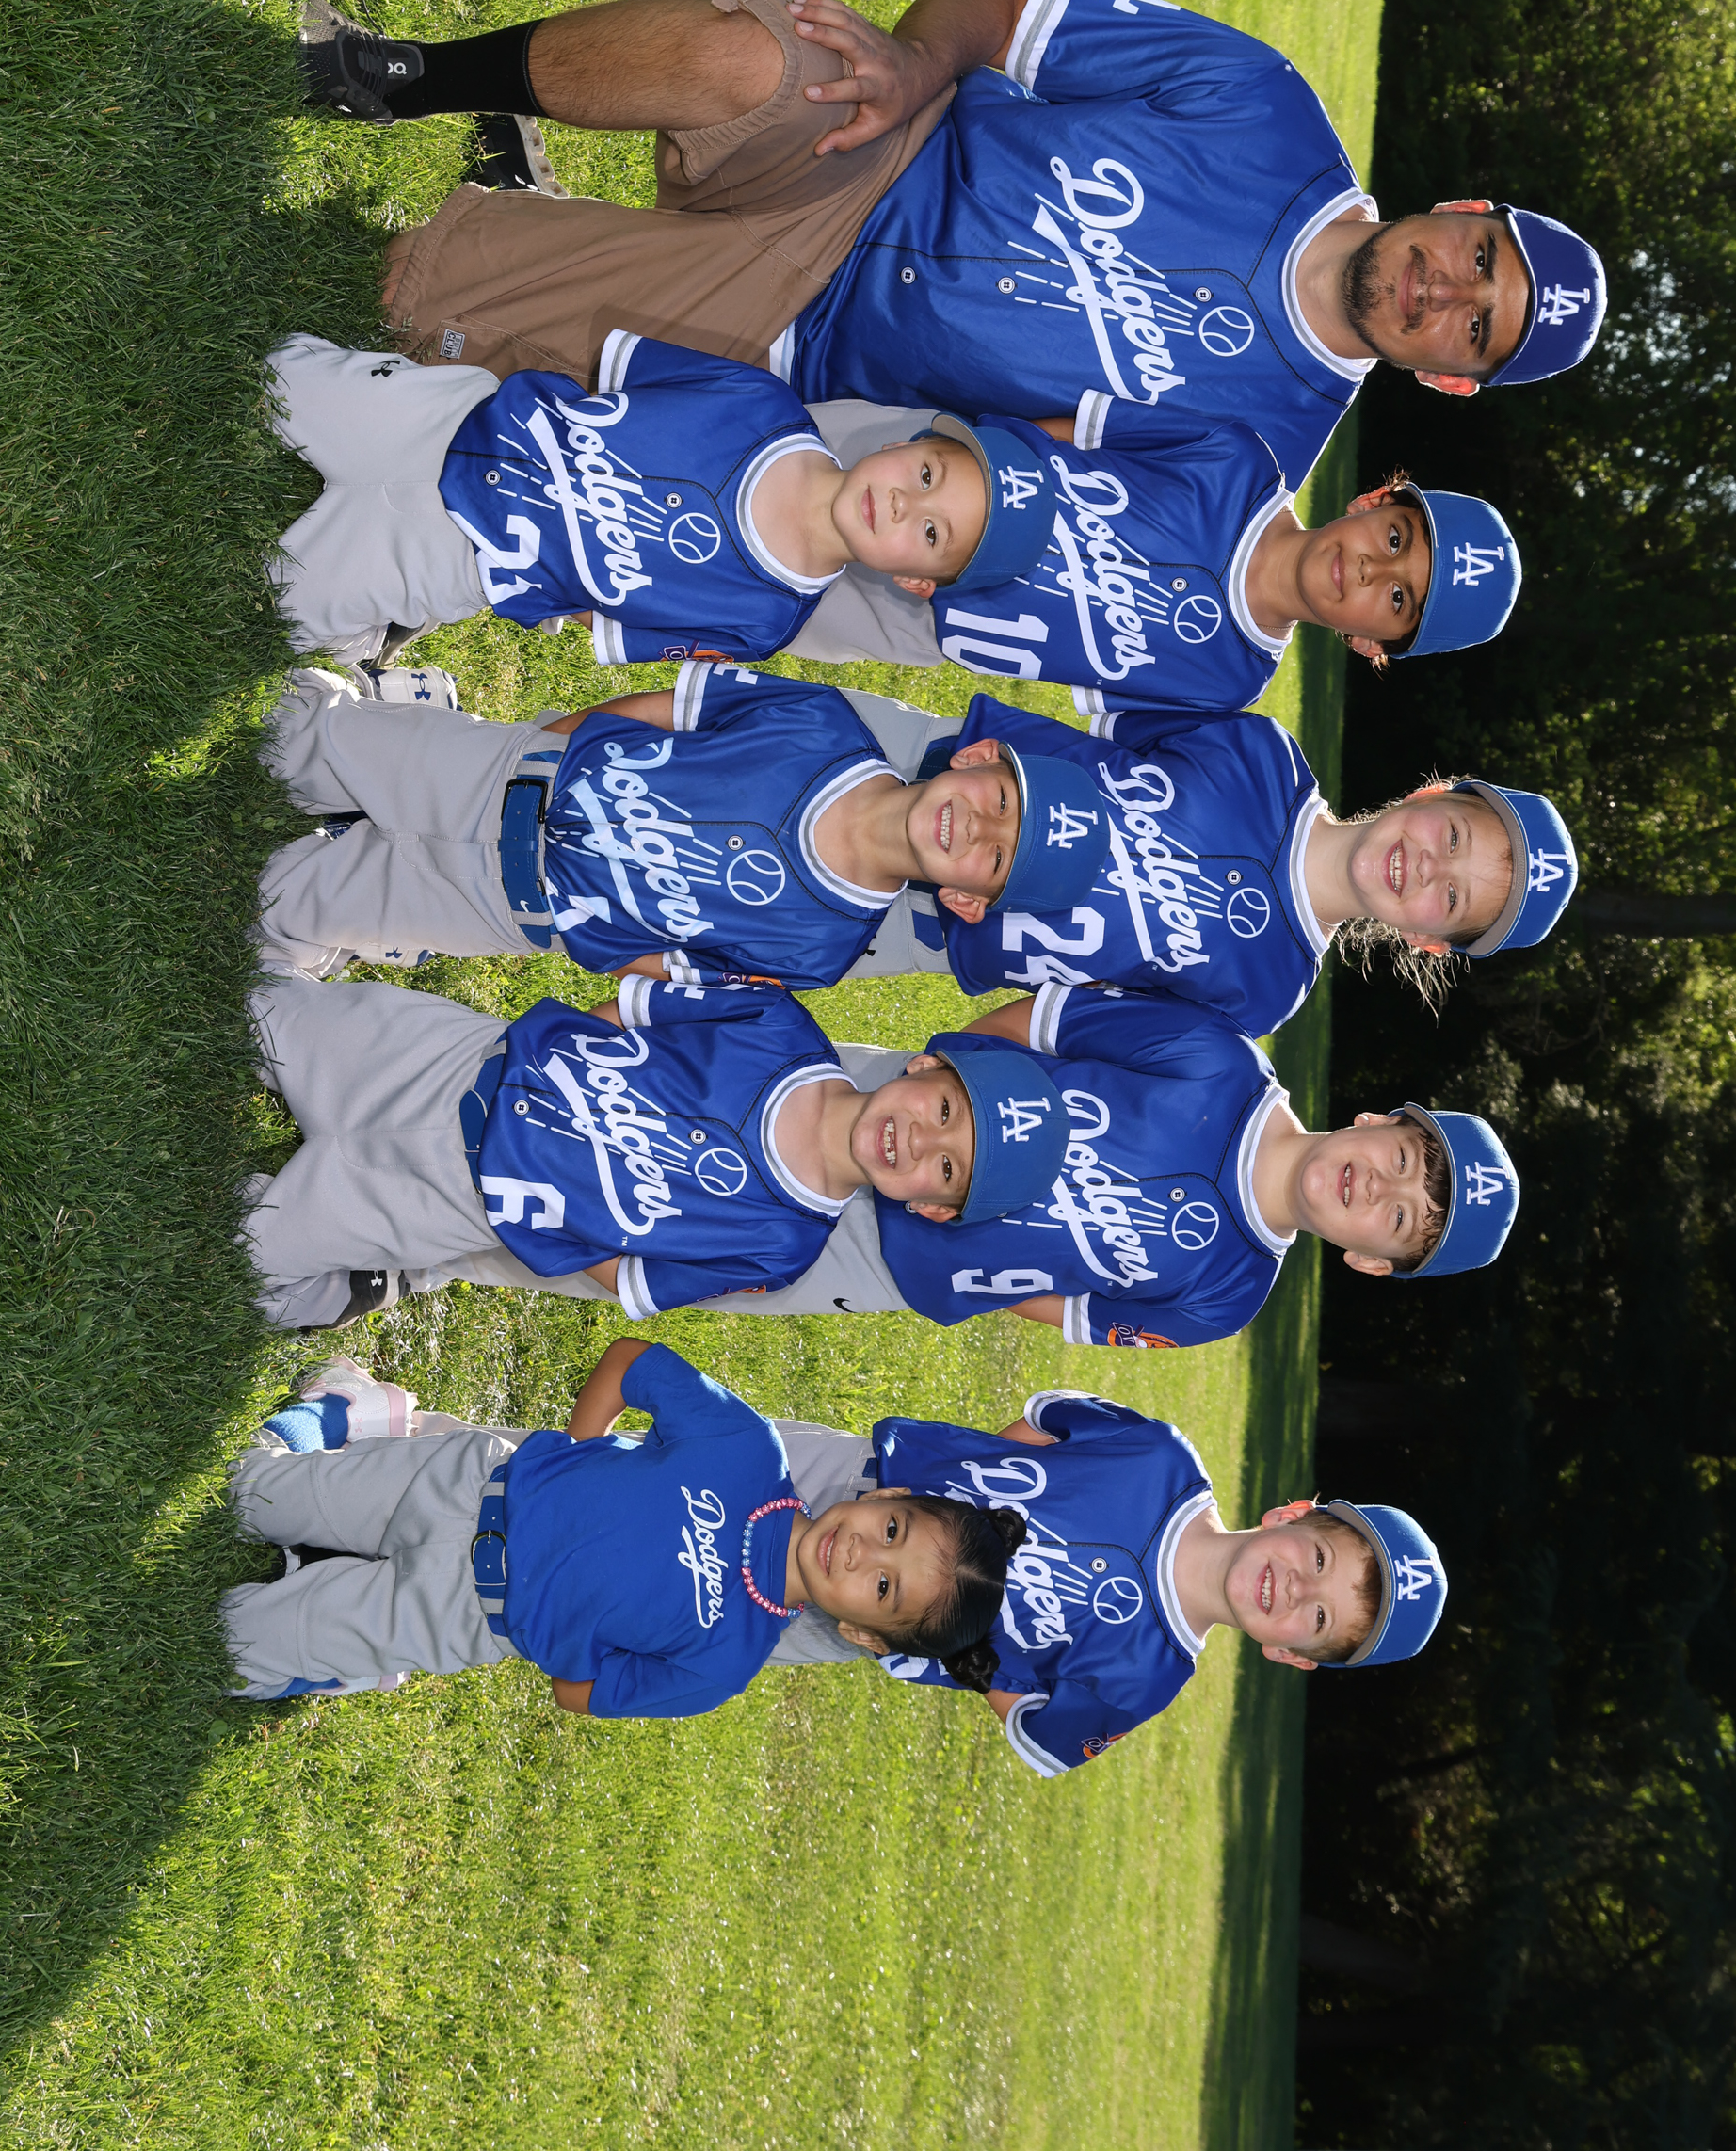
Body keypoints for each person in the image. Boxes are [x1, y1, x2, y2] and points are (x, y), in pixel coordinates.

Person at [305, 0, 1607, 492]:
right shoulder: (1266, 108)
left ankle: (545, 271)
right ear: (1465, 212)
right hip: (872, 148)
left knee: (406, 290)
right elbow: (993, 7)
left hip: (802, 349)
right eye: (1478, 261)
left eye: (1473, 332)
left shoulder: (1262, 449)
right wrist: (911, 66)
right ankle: (406, 78)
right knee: (750, 55)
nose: (1445, 292)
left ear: (1450, 378)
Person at [217, 1335, 1025, 1713]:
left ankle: (326, 1654)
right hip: (462, 1485)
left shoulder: (724, 1665)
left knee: (231, 1647)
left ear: (862, 1637)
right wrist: (578, 1457)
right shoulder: (751, 1451)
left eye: (883, 1588)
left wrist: (565, 1622)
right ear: (888, 1495)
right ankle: (339, 1417)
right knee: (245, 1495)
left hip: (460, 1618)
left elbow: (581, 1694)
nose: (861, 1554)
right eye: (893, 1531)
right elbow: (634, 1362)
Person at [239, 970, 1072, 1332]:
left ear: (930, 1207)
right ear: (925, 1064)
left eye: (946, 1167)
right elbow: (637, 1010)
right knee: (252, 1014)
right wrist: (559, 1051)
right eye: (944, 1109)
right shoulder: (780, 1024)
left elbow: (633, 1279)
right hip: (451, 1060)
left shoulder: (783, 1247)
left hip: (457, 1200)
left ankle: (318, 1276)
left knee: (243, 1259)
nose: (919, 1140)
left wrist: (559, 1215)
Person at [705, 981, 1521, 1350]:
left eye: (1398, 1217)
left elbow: (1073, 1310)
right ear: (1377, 1121)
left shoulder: (1227, 1298)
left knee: (690, 1256)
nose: (1377, 1185)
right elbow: (1046, 1024)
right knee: (695, 1088)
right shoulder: (1222, 1061)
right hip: (887, 1116)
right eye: (1401, 1158)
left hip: (888, 1261)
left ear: (1371, 1261)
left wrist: (972, 1271)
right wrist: (944, 1080)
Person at [252, 661, 1108, 991]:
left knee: (285, 905)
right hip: (510, 774)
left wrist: (569, 933)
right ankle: (344, 736)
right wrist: (550, 747)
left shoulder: (824, 948)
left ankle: (332, 893)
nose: (977, 829)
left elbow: (679, 965)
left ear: (965, 902)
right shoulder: (826, 727)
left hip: (510, 904)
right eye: (1002, 802)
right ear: (977, 756)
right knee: (299, 741)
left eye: (996, 860)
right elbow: (676, 709)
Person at [263, 325, 1055, 670]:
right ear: (901, 443)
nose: (907, 506)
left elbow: (605, 621)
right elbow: (615, 377)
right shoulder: (761, 400)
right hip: (447, 418)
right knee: (270, 376)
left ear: (914, 582)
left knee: (270, 607)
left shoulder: (764, 621)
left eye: (931, 536)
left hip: (456, 561)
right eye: (927, 477)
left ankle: (364, 626)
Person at [766, 1394, 1448, 1774]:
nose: (1298, 1589)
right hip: (863, 1481)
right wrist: (949, 1504)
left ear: (1290, 1654)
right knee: (722, 1461)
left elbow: (1039, 1731)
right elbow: (1045, 1422)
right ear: (1291, 1515)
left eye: (1318, 1619)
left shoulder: (1145, 1680)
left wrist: (960, 1643)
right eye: (1320, 1561)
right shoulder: (1162, 1456)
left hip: (855, 1614)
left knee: (718, 1613)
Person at [791, 402, 1522, 710]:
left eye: (1397, 599)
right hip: (918, 483)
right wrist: (949, 460)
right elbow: (1075, 431)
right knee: (765, 465)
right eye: (1395, 541)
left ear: (1371, 645)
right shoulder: (1239, 460)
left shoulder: (1230, 682)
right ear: (1372, 502)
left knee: (761, 608)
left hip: (915, 621)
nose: (1372, 569)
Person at [931, 690, 1579, 1035]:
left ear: (1427, 940)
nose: (1430, 867)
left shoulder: (1268, 994)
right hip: (950, 774)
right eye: (1454, 839)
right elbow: (1105, 732)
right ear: (1430, 795)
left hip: (947, 933)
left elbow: (1088, 1014)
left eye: (1452, 898)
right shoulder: (1264, 754)